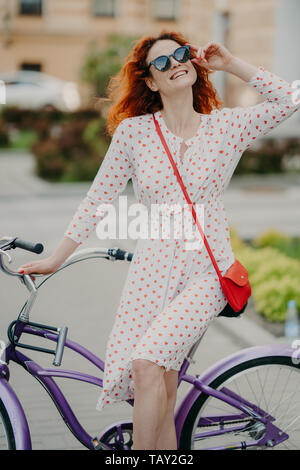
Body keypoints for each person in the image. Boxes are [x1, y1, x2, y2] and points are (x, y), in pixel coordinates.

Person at [17, 30, 300, 450]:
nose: (175, 64)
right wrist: (56, 259)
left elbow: (289, 100)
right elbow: (97, 200)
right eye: (162, 62)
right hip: (149, 277)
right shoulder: (134, 134)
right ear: (150, 81)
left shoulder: (225, 127)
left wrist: (231, 64)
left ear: (194, 63)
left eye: (181, 55)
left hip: (206, 272)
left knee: (147, 362)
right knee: (158, 391)